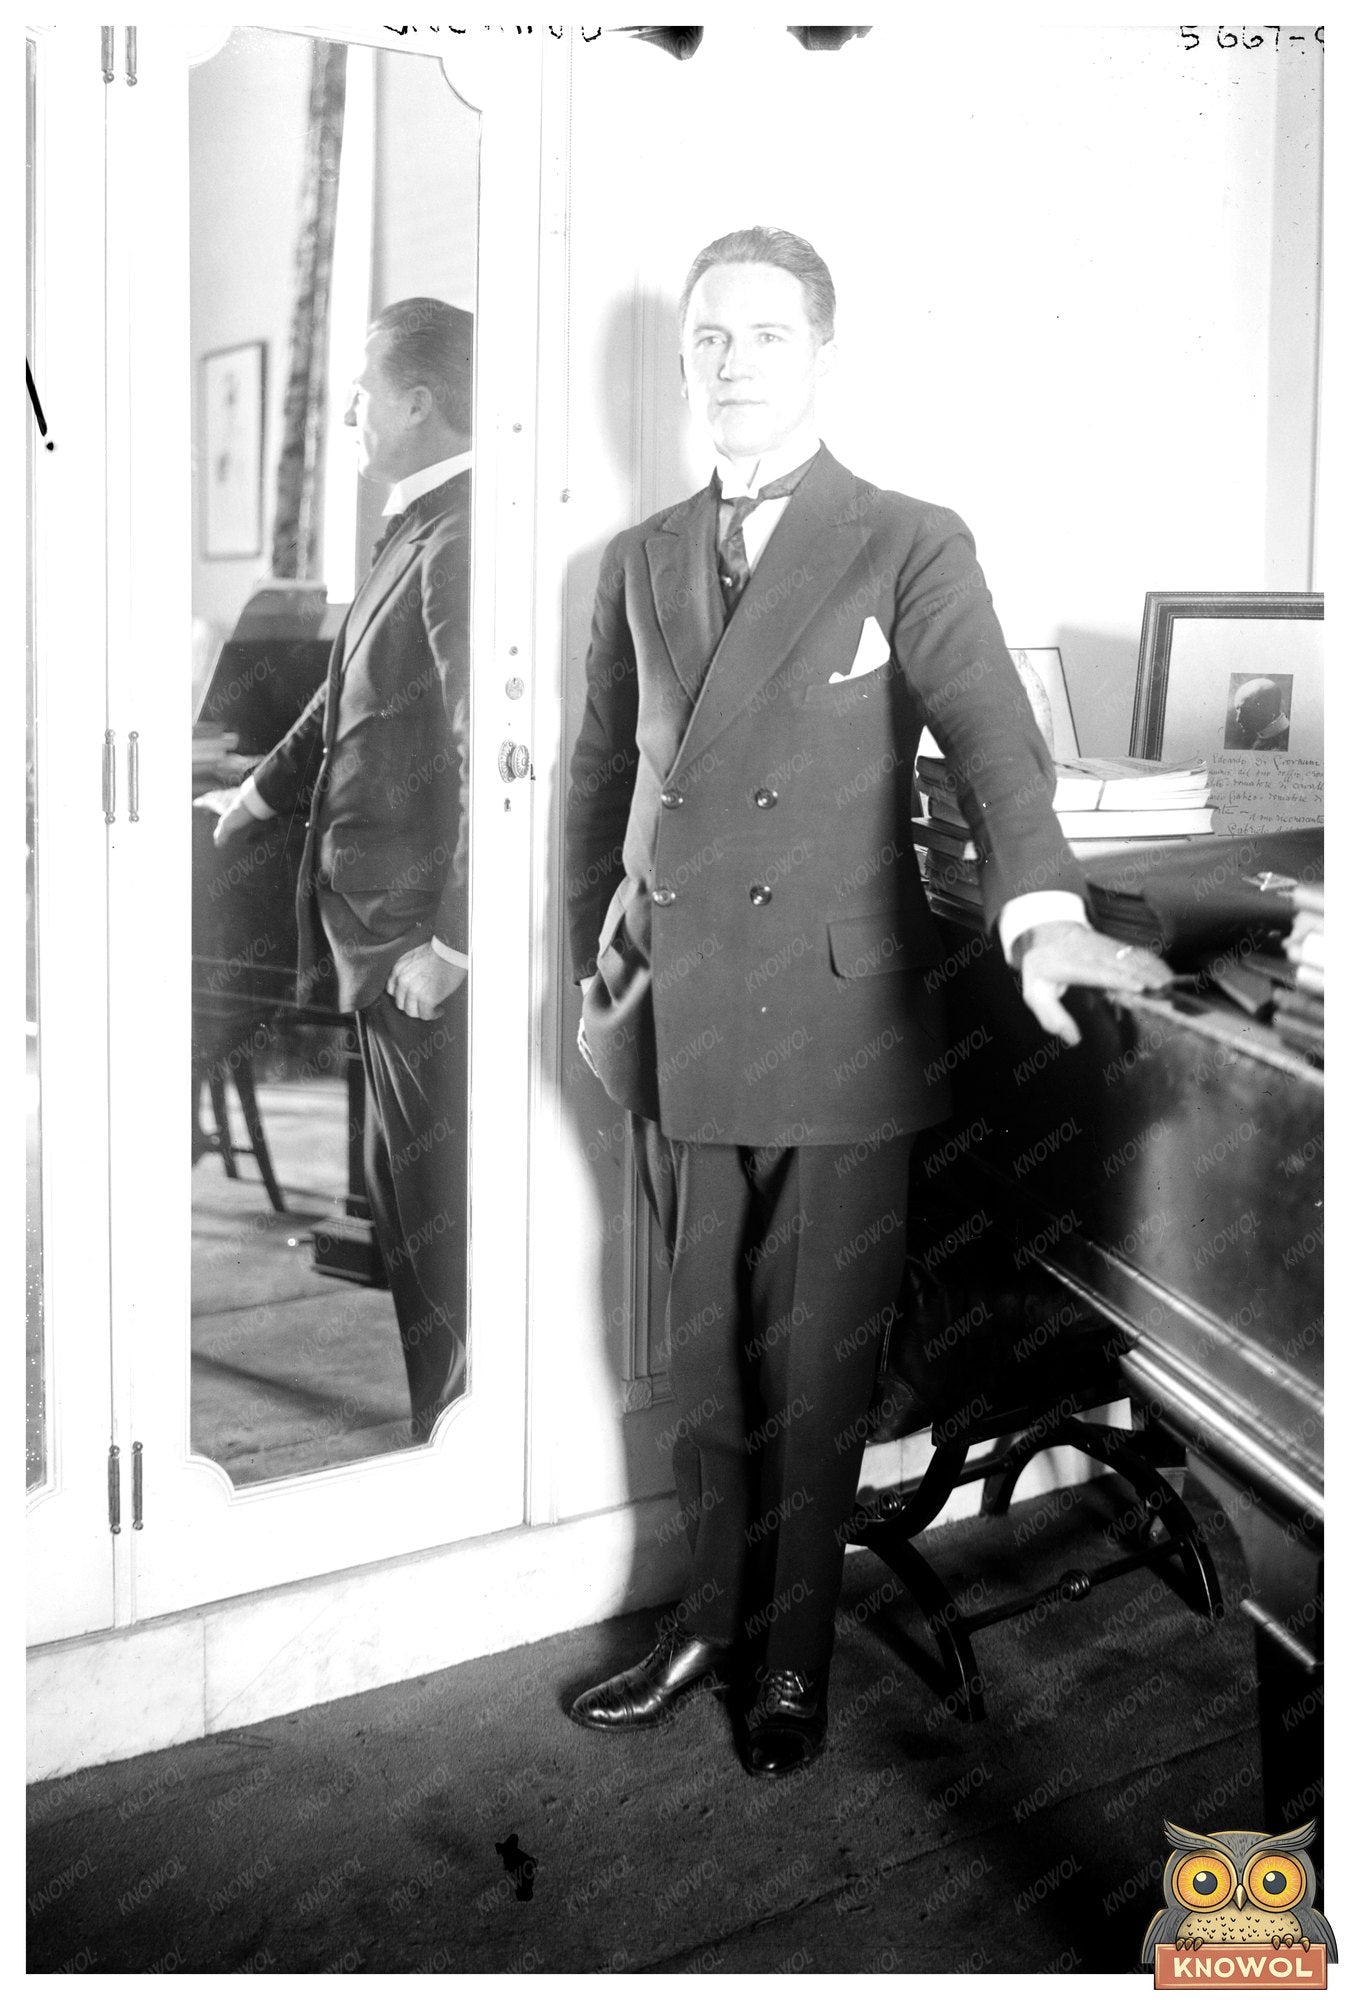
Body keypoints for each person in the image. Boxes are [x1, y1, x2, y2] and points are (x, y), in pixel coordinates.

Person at [564, 227, 1170, 1778]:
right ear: (685, 357)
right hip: (674, 1015)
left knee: (813, 1356)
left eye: (767, 335)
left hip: (837, 1025)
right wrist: (596, 950)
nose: (734, 363)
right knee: (700, 1358)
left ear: (821, 355)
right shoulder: (631, 559)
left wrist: (1037, 911)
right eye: (710, 337)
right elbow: (597, 784)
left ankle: (787, 1661)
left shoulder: (904, 537)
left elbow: (990, 743)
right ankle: (705, 1613)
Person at [213, 297, 473, 1443]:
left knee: (436, 1218)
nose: (354, 414)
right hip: (375, 932)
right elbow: (341, 703)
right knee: (407, 1206)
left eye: (365, 393)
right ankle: (438, 1438)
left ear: (419, 401)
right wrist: (258, 792)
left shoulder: (460, 538)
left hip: (413, 943)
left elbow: (499, 762)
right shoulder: (417, 524)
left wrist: (454, 943)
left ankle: (451, 1446)